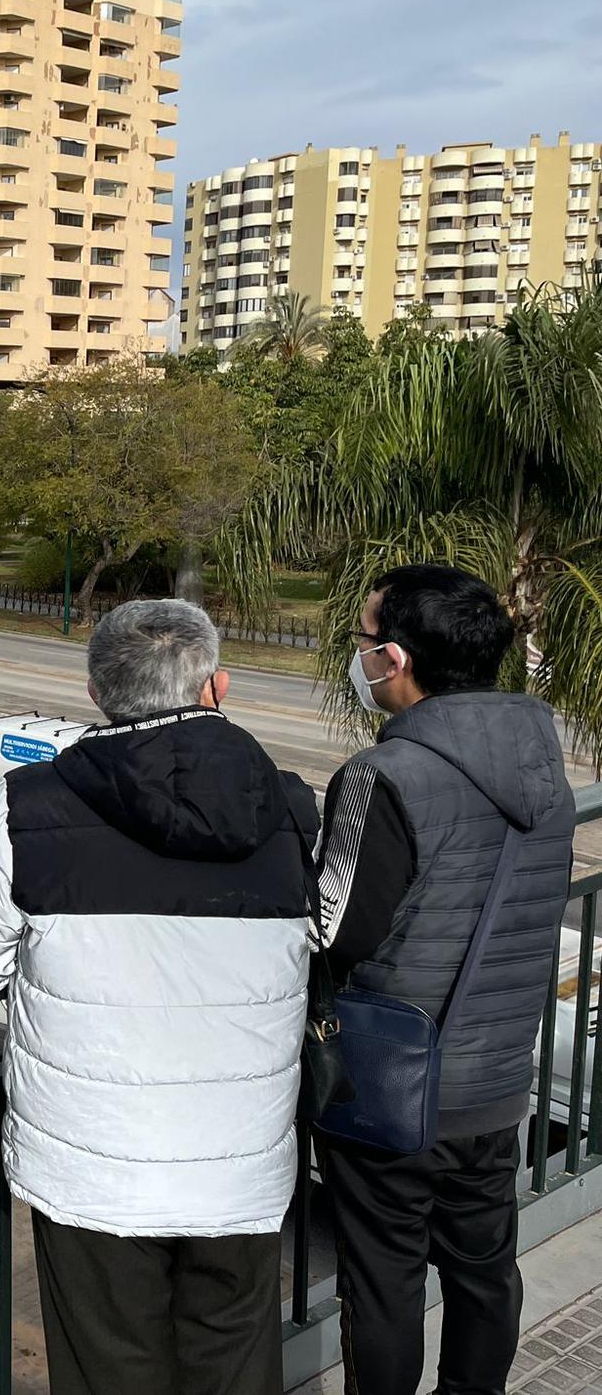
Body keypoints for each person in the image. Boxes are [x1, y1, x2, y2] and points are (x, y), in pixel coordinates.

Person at [0, 599, 313, 1395]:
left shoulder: (27, 804)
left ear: (98, 694)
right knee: (237, 1369)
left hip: (91, 1173)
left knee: (109, 1374)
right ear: (218, 687)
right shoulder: (294, 806)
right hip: (241, 1165)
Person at [315, 564, 574, 1395]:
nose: (357, 657)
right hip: (497, 1081)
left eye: (361, 641)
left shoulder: (381, 776)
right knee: (483, 1270)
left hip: (396, 1090)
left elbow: (332, 930)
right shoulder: (545, 770)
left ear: (393, 659)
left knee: (386, 1283)